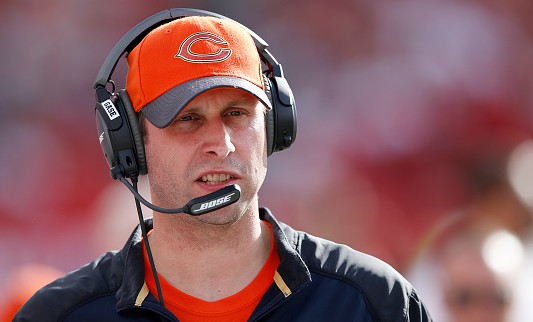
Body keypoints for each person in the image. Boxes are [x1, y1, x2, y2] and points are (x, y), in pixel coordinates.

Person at [14, 8, 433, 322]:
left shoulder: (373, 302)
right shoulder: (59, 315)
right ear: (130, 144)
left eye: (237, 113)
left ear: (274, 127)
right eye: (188, 119)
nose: (222, 144)